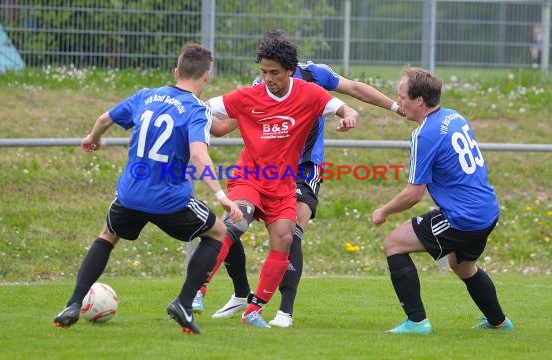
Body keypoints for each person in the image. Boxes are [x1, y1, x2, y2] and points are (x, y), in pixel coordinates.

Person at [193, 29, 404, 328]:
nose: (268, 77)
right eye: (263, 71)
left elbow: (353, 92)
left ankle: (282, 312)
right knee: (238, 219)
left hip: (304, 170)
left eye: (274, 71)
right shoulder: (256, 89)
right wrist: (191, 119)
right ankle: (228, 293)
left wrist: (393, 108)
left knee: (289, 235)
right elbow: (224, 124)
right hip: (261, 169)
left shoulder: (315, 78)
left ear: (291, 67)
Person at [52, 43, 243, 335]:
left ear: (176, 71)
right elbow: (199, 154)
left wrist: (93, 138)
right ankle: (183, 302)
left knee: (107, 235)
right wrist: (221, 196)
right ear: (207, 76)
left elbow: (104, 119)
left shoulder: (146, 96)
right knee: (218, 232)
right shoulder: (196, 109)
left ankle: (73, 303)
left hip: (130, 194)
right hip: (169, 200)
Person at [371, 66, 513, 334]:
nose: (398, 101)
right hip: (487, 211)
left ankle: (417, 322)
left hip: (463, 217)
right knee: (462, 265)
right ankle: (499, 322)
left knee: (394, 244)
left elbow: (414, 194)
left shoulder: (424, 135)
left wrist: (384, 210)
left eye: (401, 96)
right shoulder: (453, 116)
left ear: (419, 101)